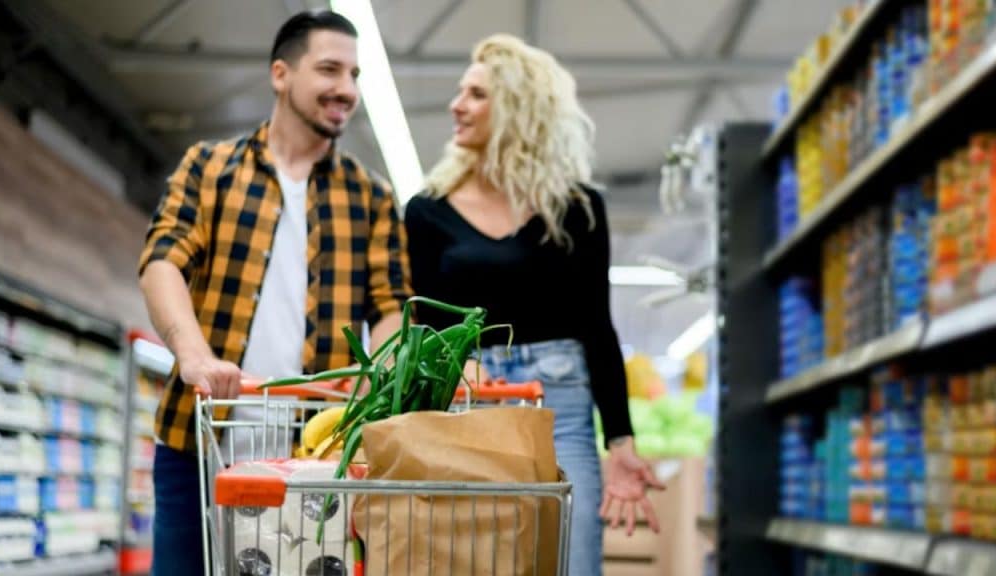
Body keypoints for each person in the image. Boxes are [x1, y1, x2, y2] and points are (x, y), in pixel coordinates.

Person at [137, 11, 411, 575]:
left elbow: (390, 307)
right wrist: (193, 354)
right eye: (330, 69)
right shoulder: (210, 169)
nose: (346, 89)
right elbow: (163, 261)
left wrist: (378, 373)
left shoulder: (372, 198)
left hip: (315, 454)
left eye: (355, 75)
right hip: (201, 438)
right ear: (281, 74)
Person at [404, 34, 665, 576]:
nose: (456, 105)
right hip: (467, 404)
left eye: (475, 94)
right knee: (470, 564)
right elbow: (425, 328)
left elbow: (597, 326)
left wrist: (620, 441)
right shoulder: (427, 212)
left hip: (560, 408)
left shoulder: (578, 209)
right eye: (460, 92)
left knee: (571, 562)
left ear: (518, 108)